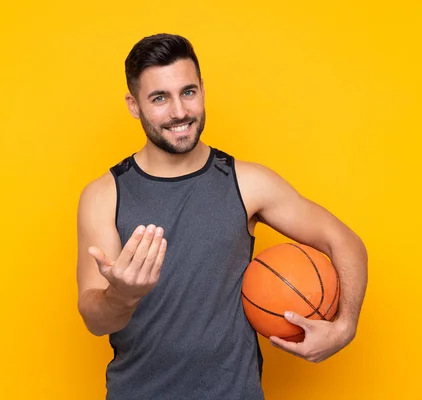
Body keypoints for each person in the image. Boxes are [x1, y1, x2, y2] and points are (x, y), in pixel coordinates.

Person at [76, 33, 368, 399]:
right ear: (133, 105)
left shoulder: (248, 182)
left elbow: (344, 241)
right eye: (159, 98)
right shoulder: (104, 195)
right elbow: (94, 320)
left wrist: (345, 326)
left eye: (188, 92)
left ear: (202, 90)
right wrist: (122, 294)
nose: (179, 111)